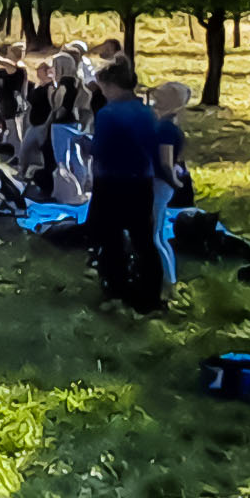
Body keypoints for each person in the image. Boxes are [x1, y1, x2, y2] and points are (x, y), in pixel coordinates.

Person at [87, 60, 164, 311]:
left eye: (105, 88)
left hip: (111, 181)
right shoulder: (147, 112)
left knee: (110, 238)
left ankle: (116, 291)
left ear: (113, 86)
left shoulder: (108, 114)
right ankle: (150, 295)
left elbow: (100, 150)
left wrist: (86, 145)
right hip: (142, 181)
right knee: (144, 239)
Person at [151, 81, 192, 292]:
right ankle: (171, 278)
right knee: (159, 234)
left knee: (154, 236)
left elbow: (166, 162)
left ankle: (168, 282)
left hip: (159, 183)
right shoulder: (172, 124)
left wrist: (175, 183)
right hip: (164, 184)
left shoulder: (165, 127)